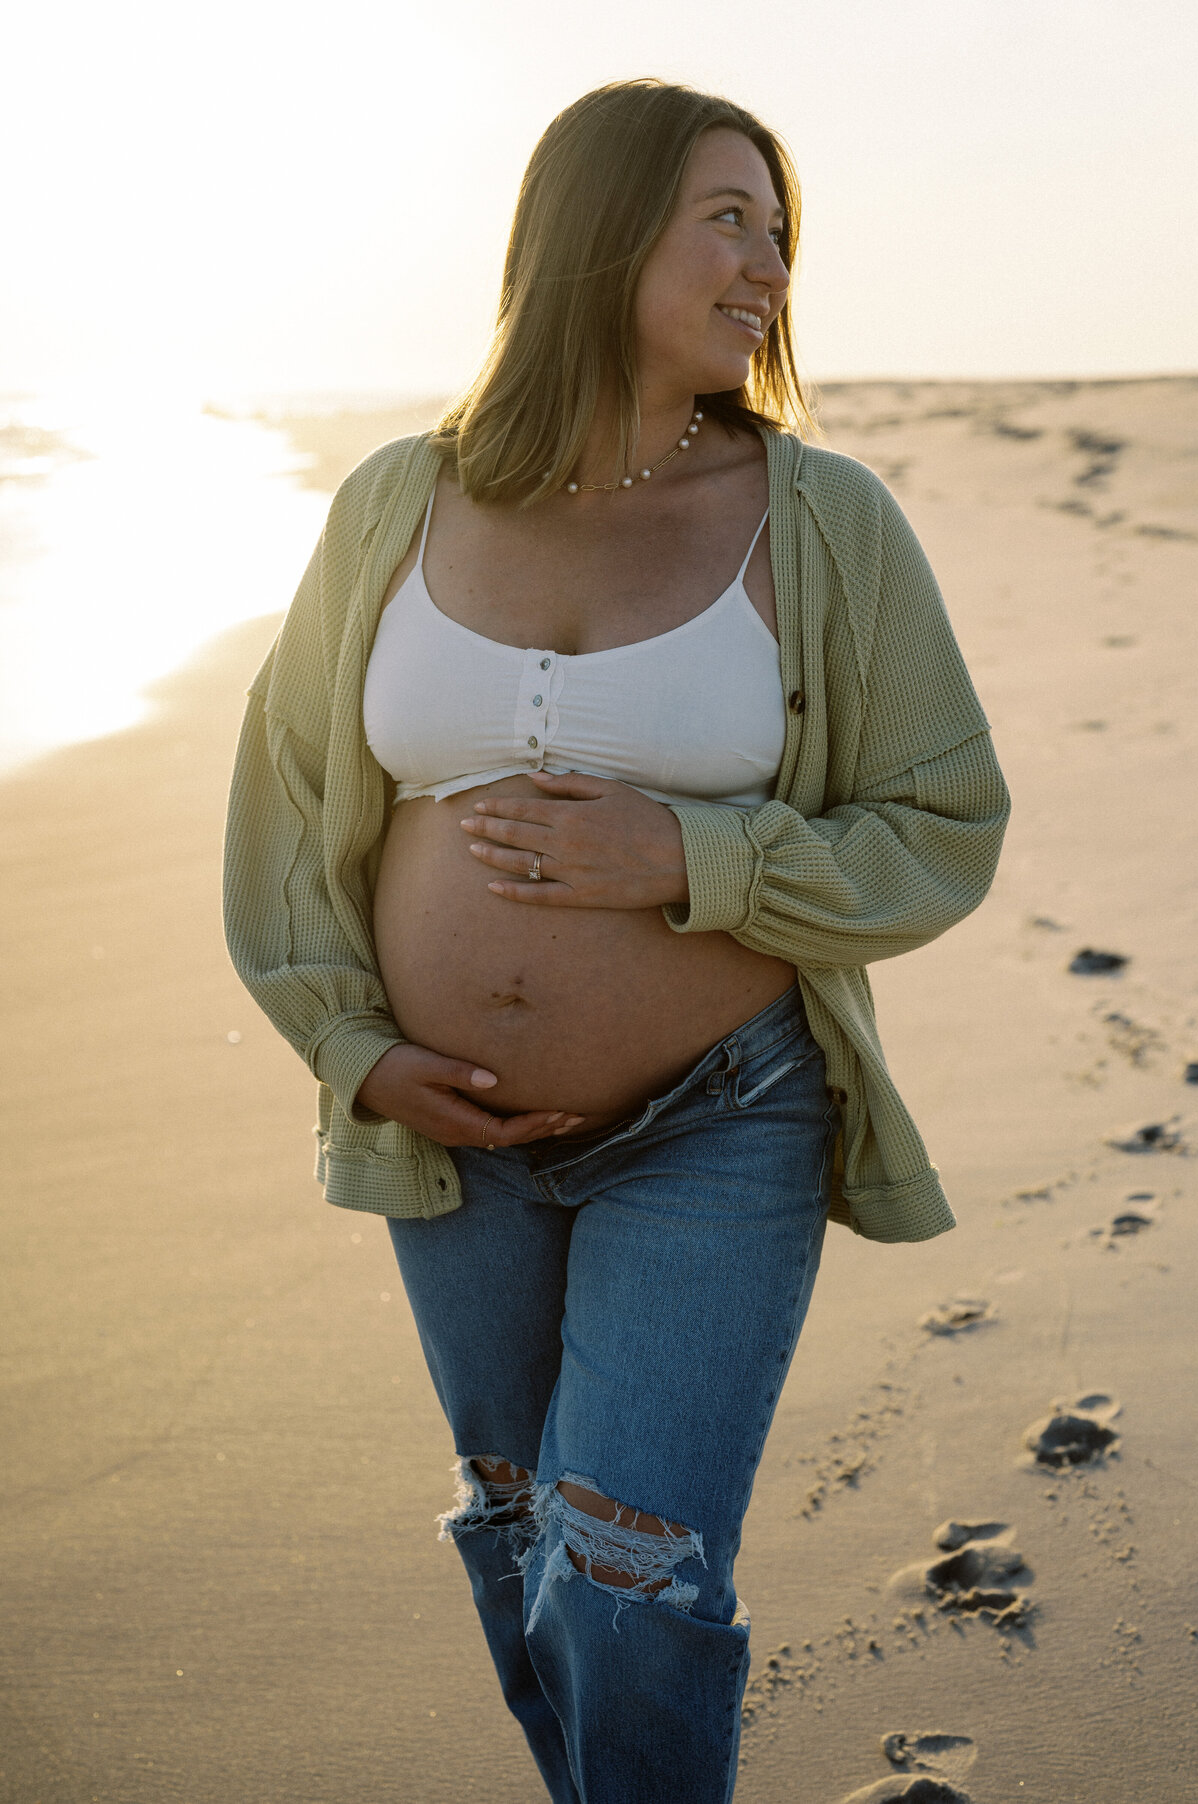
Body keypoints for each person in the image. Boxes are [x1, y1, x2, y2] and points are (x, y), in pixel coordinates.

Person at [223, 77, 1010, 1804]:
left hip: (719, 1121)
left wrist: (694, 854)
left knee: (632, 1556)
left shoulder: (821, 522)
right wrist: (355, 1052)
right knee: (525, 1541)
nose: (770, 268)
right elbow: (288, 805)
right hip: (452, 1146)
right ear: (596, 235)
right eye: (730, 218)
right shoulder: (391, 503)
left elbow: (945, 821)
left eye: (783, 232)